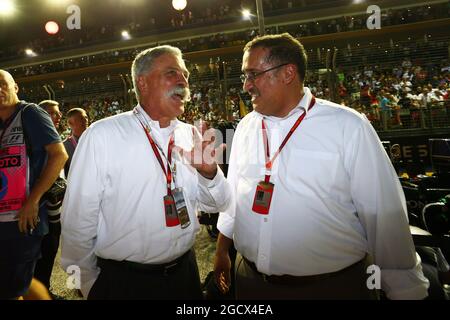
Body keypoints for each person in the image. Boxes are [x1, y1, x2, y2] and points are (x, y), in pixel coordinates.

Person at [214, 33, 430, 300]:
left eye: (253, 74)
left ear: (288, 73)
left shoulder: (348, 126)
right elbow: (236, 194)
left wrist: (406, 291)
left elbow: (383, 214)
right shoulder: (246, 126)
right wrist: (222, 250)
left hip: (332, 287)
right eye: (244, 76)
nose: (246, 85)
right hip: (250, 282)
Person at [61, 45, 231, 300]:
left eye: (185, 74)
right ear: (142, 82)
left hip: (186, 274)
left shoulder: (190, 134)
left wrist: (209, 173)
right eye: (172, 72)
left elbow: (219, 203)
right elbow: (77, 221)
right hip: (126, 282)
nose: (183, 81)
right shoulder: (103, 135)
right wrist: (88, 286)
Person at [0, 70, 68, 299]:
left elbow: (59, 155)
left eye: (3, 84)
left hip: (23, 218)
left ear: (15, 87)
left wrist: (33, 200)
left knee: (15, 287)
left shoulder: (31, 113)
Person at [33, 100, 65, 296]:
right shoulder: (35, 141)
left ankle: (46, 289)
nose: (58, 116)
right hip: (41, 210)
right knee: (42, 253)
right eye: (53, 113)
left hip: (56, 208)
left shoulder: (55, 137)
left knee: (51, 250)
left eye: (58, 112)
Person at [62, 108, 89, 177]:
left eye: (86, 117)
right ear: (70, 123)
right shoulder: (64, 146)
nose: (85, 120)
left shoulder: (95, 140)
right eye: (80, 118)